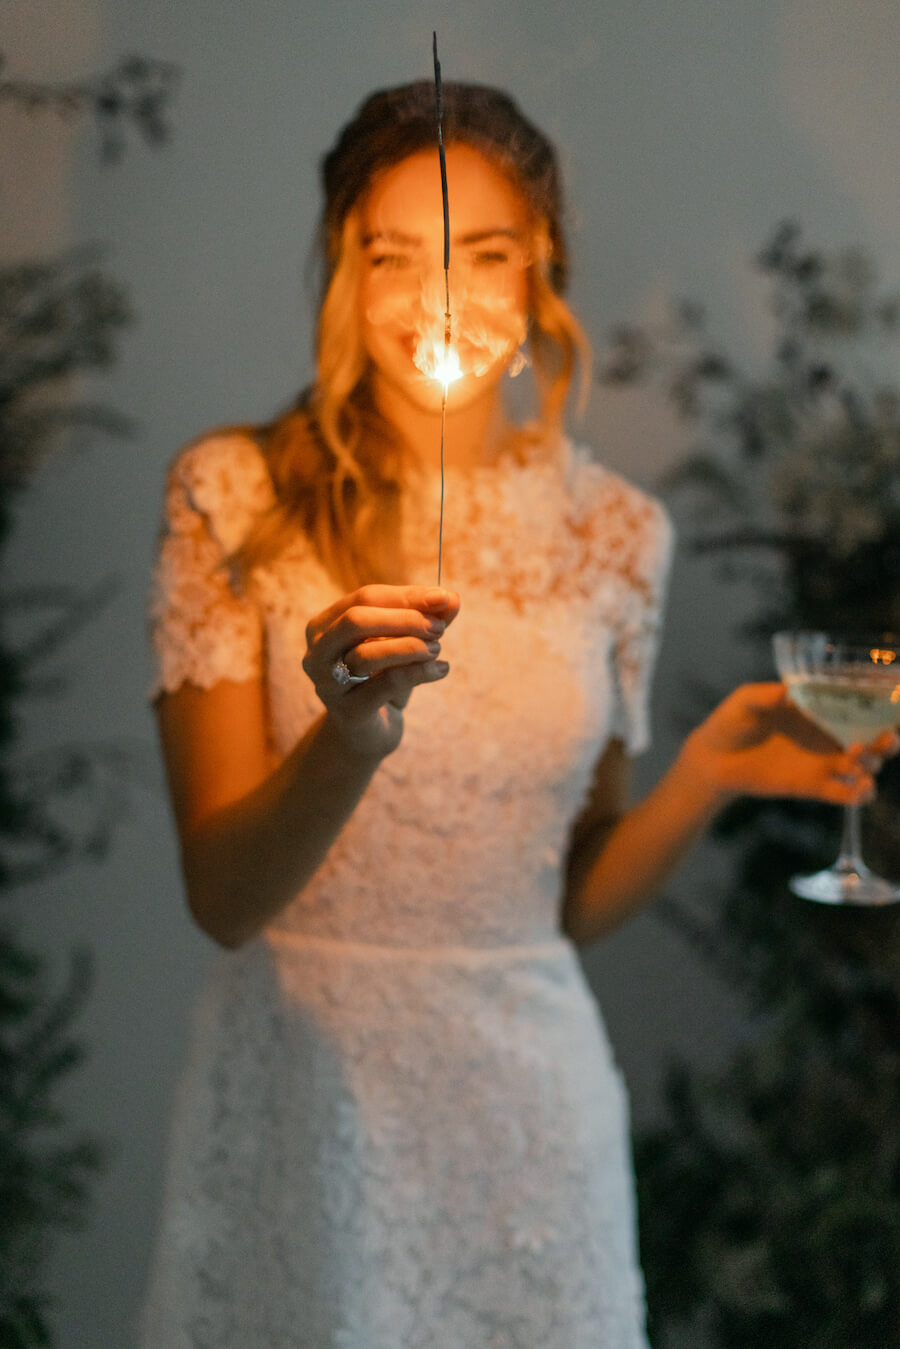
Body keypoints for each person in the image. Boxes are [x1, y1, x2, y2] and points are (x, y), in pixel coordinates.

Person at [140, 81, 896, 1349]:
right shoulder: (233, 495)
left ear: (543, 266)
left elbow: (563, 905)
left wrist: (706, 768)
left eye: (485, 255)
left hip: (529, 1122)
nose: (443, 295)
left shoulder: (617, 535)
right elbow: (223, 896)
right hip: (304, 1106)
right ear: (344, 270)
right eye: (397, 256)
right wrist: (350, 737)